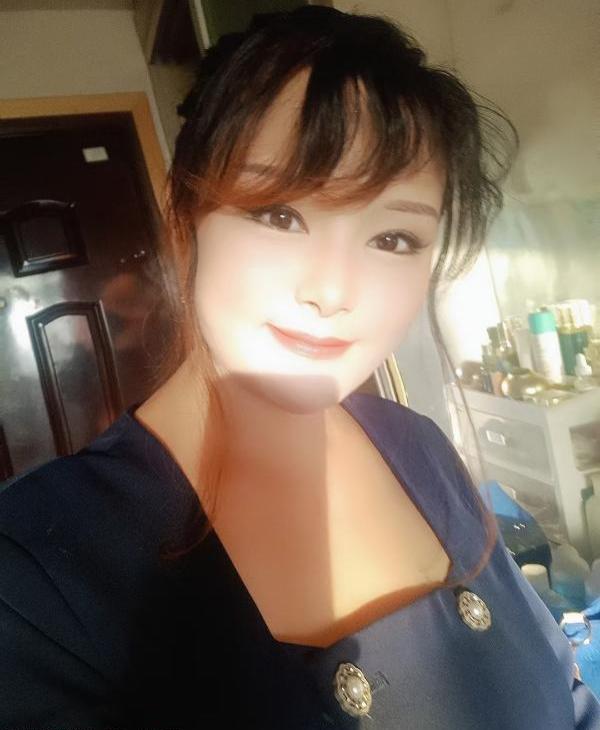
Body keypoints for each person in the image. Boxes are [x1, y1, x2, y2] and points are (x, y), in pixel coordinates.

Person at [1, 6, 598, 729]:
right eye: (280, 215)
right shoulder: (35, 573)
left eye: (393, 238)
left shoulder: (418, 445)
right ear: (184, 217)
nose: (333, 292)